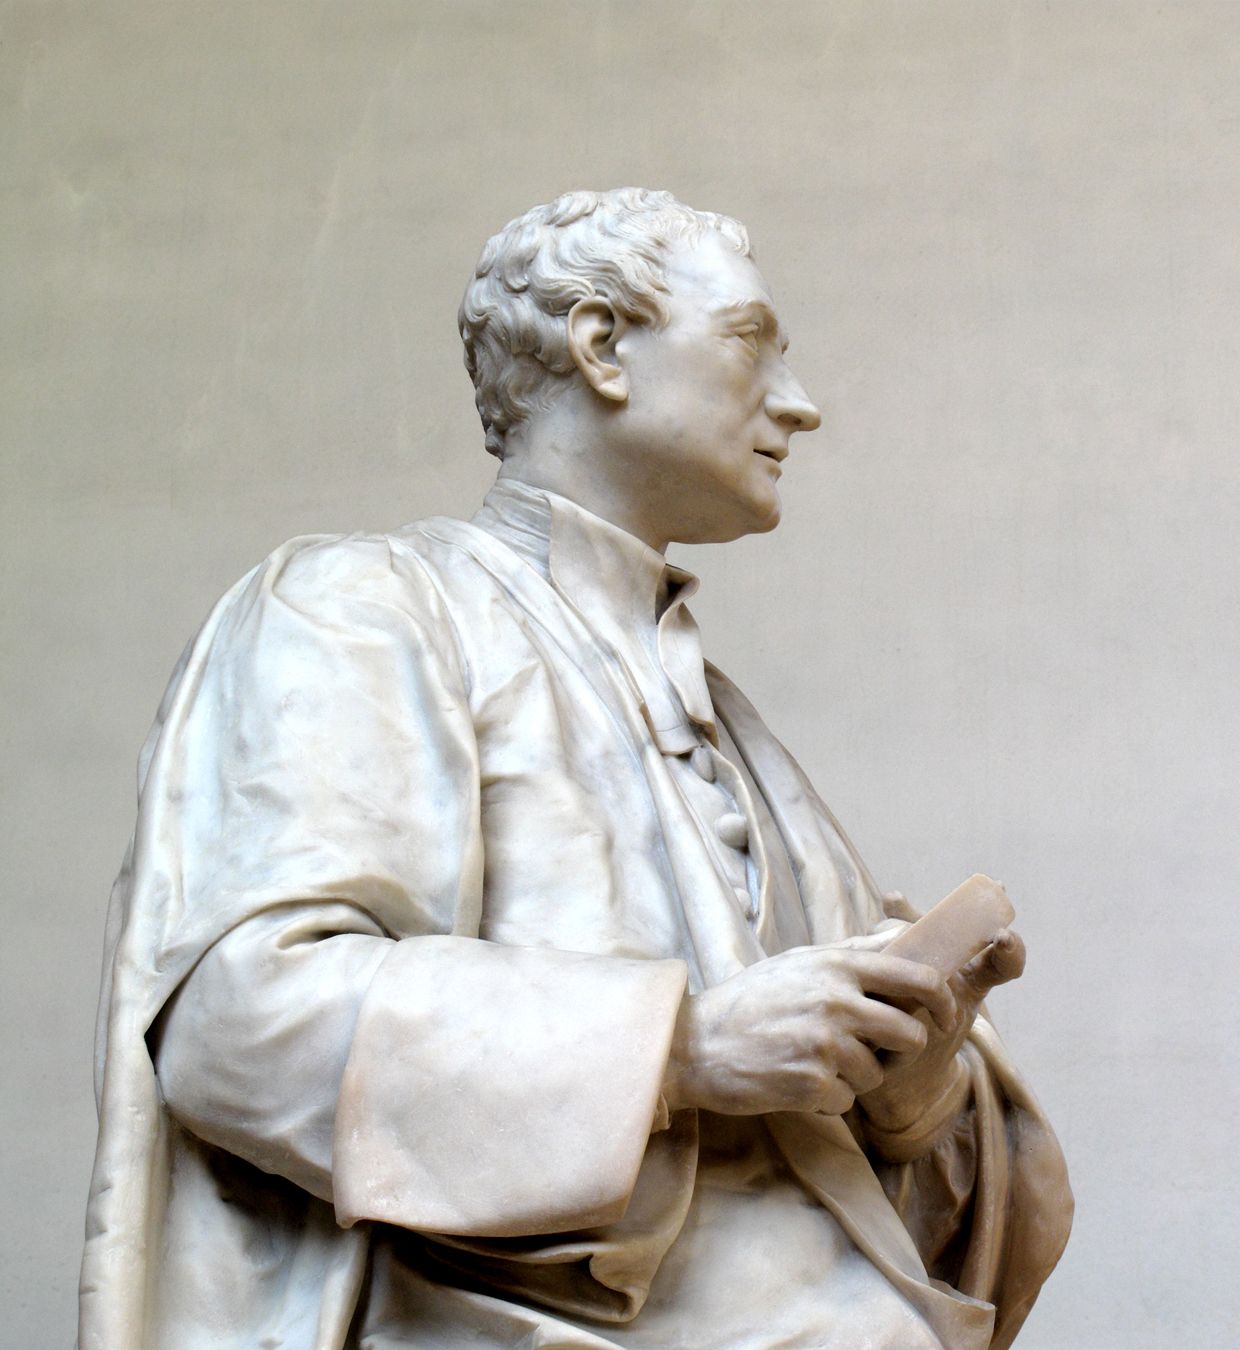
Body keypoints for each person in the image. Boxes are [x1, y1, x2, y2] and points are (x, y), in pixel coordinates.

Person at [79, 188, 1071, 1350]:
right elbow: (239, 1025)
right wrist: (683, 1048)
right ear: (602, 346)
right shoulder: (363, 611)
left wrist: (915, 1082)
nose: (800, 407)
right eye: (754, 344)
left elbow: (916, 1221)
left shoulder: (742, 740)